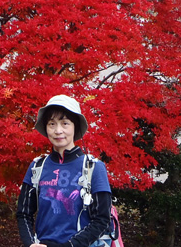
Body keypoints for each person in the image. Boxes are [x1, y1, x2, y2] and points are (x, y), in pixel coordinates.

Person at [17, 94, 113, 247]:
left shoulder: (93, 167)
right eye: (52, 124)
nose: (58, 130)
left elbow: (102, 219)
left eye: (65, 123)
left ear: (75, 126)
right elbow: (23, 213)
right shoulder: (37, 167)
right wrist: (30, 244)